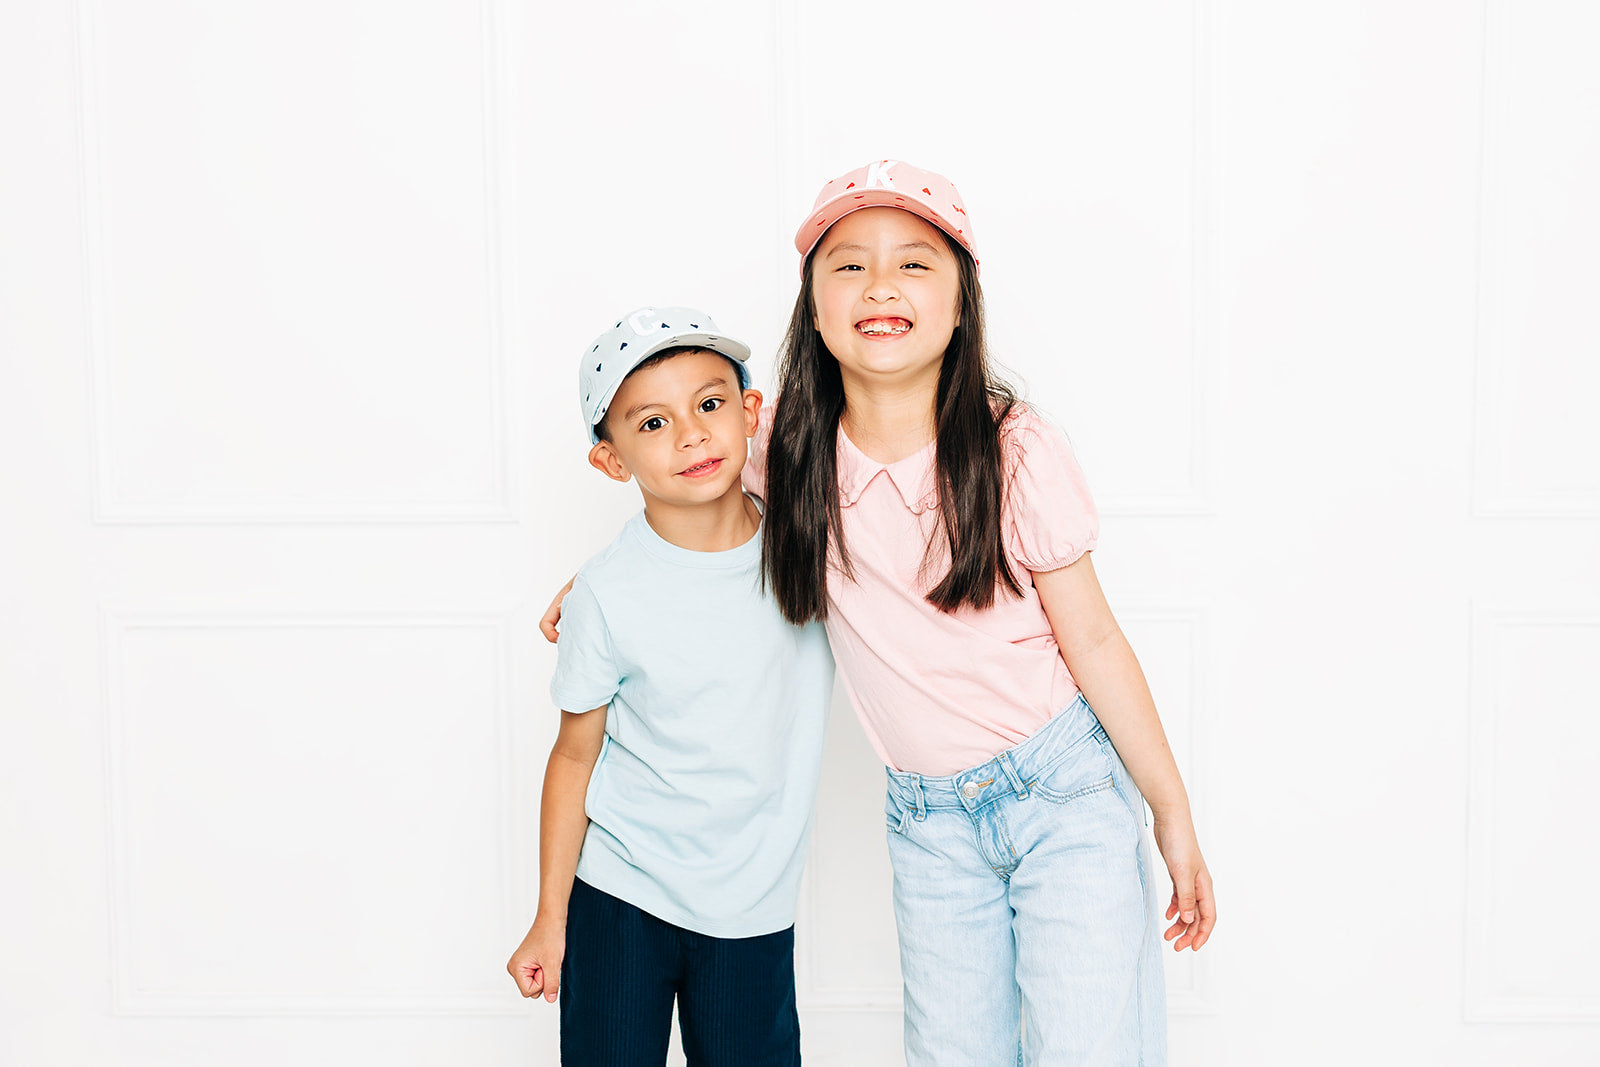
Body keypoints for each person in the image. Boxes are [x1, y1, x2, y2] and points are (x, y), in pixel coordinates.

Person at [543, 162, 1217, 1066]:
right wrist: (595, 582)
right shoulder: (780, 443)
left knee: (1087, 1045)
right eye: (849, 266)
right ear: (814, 311)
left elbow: (1093, 639)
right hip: (931, 825)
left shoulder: (1014, 447)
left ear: (959, 303)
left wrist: (1169, 812)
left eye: (915, 264)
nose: (881, 285)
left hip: (1066, 798)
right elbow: (680, 485)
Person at [508, 307, 832, 1066]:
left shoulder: (814, 547)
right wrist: (550, 916)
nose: (691, 434)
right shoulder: (607, 594)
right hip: (623, 894)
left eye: (711, 404)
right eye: (652, 423)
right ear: (612, 461)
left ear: (752, 413)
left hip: (751, 906)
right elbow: (573, 759)